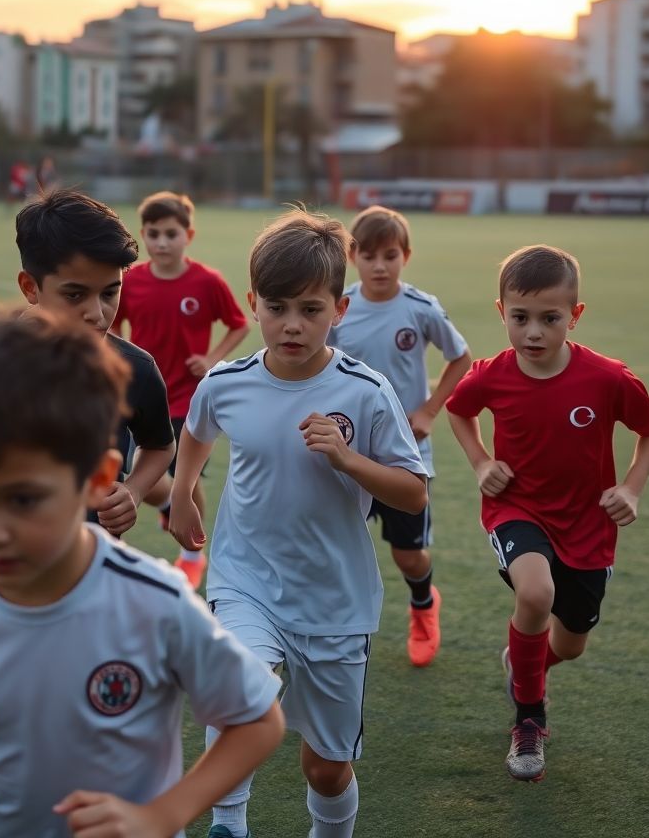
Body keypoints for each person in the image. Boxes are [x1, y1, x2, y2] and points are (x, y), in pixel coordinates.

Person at [0, 310, 285, 838]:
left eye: (22, 499)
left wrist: (163, 815)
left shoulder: (151, 601)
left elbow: (256, 718)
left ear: (98, 478)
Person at [0, 188, 176, 811]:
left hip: (85, 570)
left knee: (71, 706)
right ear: (30, 287)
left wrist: (133, 490)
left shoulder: (133, 369)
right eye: (76, 295)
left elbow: (159, 445)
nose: (97, 313)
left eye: (111, 293)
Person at [170, 209, 428, 838]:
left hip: (335, 600)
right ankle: (229, 824)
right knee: (239, 688)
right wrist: (181, 493)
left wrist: (347, 458)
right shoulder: (227, 383)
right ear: (253, 304)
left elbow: (414, 494)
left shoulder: (365, 392)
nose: (292, 324)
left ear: (339, 310)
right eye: (277, 307)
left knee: (326, 769)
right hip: (246, 580)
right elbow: (196, 432)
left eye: (310, 310)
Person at [445, 245, 649, 783]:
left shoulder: (607, 378)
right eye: (520, 318)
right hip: (516, 508)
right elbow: (459, 410)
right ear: (502, 312)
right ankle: (529, 718)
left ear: (575, 315)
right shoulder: (490, 376)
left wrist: (631, 489)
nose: (533, 333)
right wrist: (481, 462)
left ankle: (524, 664)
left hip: (587, 526)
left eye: (550, 319)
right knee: (535, 594)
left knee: (569, 644)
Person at [329, 205, 471, 667]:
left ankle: (424, 604)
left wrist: (429, 410)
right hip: (348, 452)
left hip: (405, 455)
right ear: (353, 258)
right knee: (335, 545)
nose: (379, 266)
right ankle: (331, 627)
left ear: (405, 257)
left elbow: (461, 357)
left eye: (390, 255)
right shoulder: (339, 308)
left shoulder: (420, 308)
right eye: (369, 256)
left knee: (409, 556)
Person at [112, 191, 250, 590]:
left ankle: (192, 554)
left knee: (186, 479)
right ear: (143, 235)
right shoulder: (131, 281)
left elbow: (239, 324)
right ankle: (172, 504)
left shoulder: (207, 282)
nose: (162, 242)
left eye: (171, 234)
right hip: (140, 395)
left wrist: (211, 358)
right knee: (137, 470)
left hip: (188, 400)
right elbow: (112, 323)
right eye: (153, 234)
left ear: (188, 235)